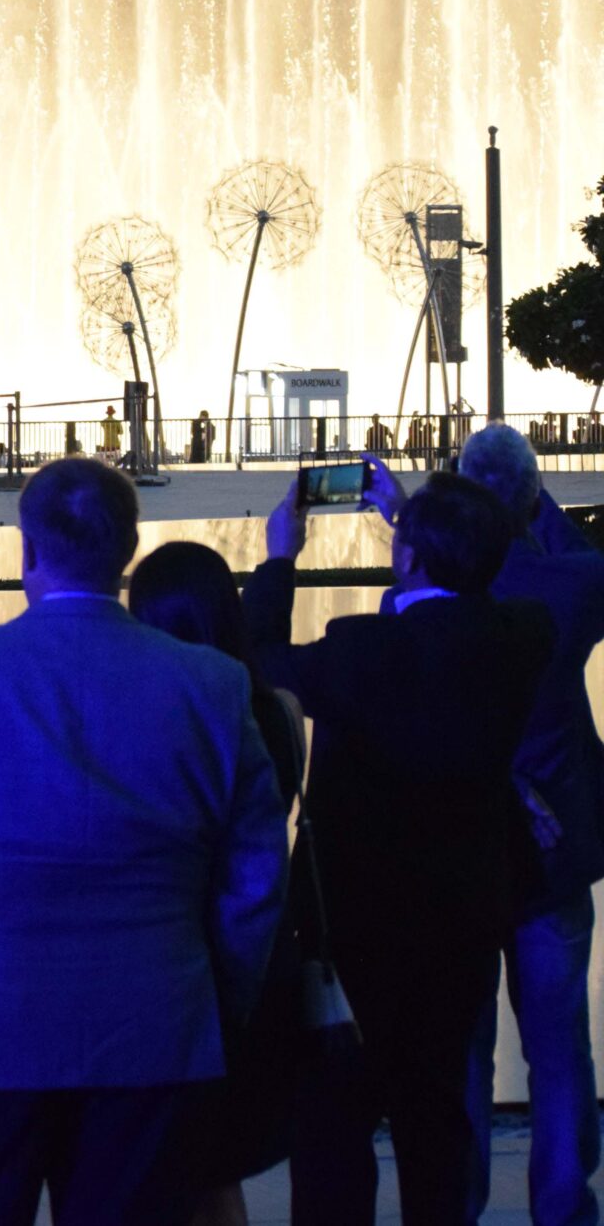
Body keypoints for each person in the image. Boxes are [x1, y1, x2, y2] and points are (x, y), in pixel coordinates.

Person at [0, 458, 288, 1226]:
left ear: (27, 548)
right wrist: (213, 994)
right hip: (155, 1025)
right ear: (128, 550)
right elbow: (254, 873)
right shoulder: (213, 685)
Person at [249, 470, 548, 1223]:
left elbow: (260, 661)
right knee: (437, 1120)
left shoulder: (361, 651)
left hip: (354, 926)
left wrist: (280, 559)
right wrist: (424, 526)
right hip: (465, 920)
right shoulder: (520, 637)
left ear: (407, 556)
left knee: (333, 1128)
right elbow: (472, 601)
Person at [126, 541, 306, 1226]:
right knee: (215, 1172)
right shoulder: (277, 710)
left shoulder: (153, 723)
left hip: (167, 967)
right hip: (256, 970)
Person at [452, 427, 604, 1226]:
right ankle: (562, 1201)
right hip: (553, 853)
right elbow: (584, 560)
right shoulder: (566, 589)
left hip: (460, 853)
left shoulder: (426, 597)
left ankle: (459, 1200)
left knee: (465, 1049)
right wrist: (539, 510)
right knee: (558, 1047)